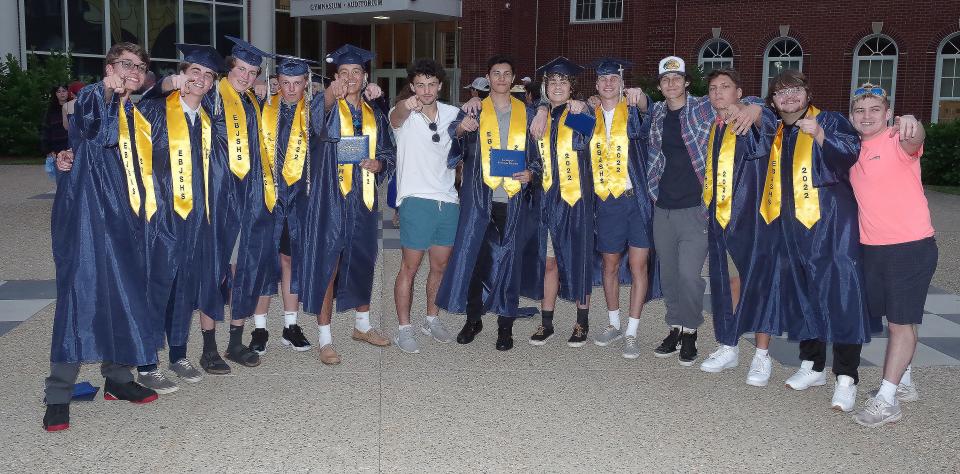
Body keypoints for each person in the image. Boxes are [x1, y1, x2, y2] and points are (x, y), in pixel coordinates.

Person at [43, 42, 160, 432]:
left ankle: (118, 378)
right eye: (126, 64)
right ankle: (59, 393)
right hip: (87, 219)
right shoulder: (97, 97)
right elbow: (91, 126)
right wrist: (106, 89)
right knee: (79, 296)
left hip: (128, 218)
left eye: (140, 67)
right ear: (109, 66)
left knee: (126, 293)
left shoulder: (137, 113)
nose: (133, 71)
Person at [762, 70, 874, 412]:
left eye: (796, 90)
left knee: (841, 295)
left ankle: (846, 376)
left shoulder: (830, 120)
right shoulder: (779, 131)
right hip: (794, 229)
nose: (789, 97)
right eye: (782, 93)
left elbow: (850, 153)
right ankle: (812, 365)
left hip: (833, 225)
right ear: (773, 102)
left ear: (808, 93)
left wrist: (823, 136)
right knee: (803, 292)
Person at [642, 56, 761, 366]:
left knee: (689, 275)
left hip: (695, 207)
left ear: (686, 83)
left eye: (677, 78)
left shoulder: (702, 108)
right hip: (663, 206)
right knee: (668, 276)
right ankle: (675, 327)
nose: (671, 84)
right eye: (665, 80)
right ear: (659, 85)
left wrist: (753, 106)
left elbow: (738, 99)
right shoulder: (655, 114)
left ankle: (691, 330)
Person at [127, 44, 224, 393]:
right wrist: (161, 86)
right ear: (182, 74)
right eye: (193, 72)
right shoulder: (156, 111)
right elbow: (134, 111)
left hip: (196, 217)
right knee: (156, 285)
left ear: (212, 84)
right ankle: (146, 362)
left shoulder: (210, 119)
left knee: (185, 285)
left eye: (207, 75)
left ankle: (179, 354)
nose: (199, 79)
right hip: (160, 216)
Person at [181, 35, 275, 374]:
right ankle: (209, 349)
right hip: (217, 200)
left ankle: (236, 341)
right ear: (229, 69)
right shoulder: (212, 98)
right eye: (242, 70)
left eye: (253, 72)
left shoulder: (253, 101)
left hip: (249, 200)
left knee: (243, 269)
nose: (247, 77)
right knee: (214, 271)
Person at [436, 55, 542, 351]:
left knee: (510, 262)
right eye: (496, 73)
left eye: (507, 74)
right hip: (479, 198)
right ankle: (473, 319)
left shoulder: (529, 113)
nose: (501, 78)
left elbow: (540, 158)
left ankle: (505, 326)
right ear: (488, 76)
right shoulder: (474, 111)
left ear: (513, 78)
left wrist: (531, 174)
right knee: (475, 260)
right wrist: (461, 129)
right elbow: (454, 143)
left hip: (513, 199)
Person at [299, 44, 395, 365]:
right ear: (335, 77)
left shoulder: (374, 115)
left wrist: (379, 165)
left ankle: (362, 326)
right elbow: (313, 124)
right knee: (329, 265)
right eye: (343, 73)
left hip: (363, 202)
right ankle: (325, 339)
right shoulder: (326, 107)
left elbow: (387, 152)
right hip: (330, 200)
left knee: (364, 260)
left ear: (365, 76)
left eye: (356, 72)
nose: (350, 78)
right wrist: (328, 95)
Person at [847, 84, 935, 427]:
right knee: (896, 317)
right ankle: (905, 383)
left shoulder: (898, 140)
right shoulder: (854, 149)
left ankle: (887, 400)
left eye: (874, 109)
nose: (867, 116)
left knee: (900, 323)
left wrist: (914, 122)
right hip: (873, 248)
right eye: (860, 110)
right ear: (852, 116)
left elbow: (915, 138)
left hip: (909, 246)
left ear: (888, 113)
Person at [696, 69, 780, 387]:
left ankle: (761, 355)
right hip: (721, 220)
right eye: (714, 88)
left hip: (753, 220)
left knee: (758, 283)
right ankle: (728, 346)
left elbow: (769, 124)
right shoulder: (716, 127)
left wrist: (757, 108)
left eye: (726, 87)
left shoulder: (747, 120)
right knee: (727, 283)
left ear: (739, 92)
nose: (719, 93)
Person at [247, 53, 324, 355]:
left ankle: (290, 326)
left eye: (297, 83)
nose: (291, 89)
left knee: (291, 260)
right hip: (266, 198)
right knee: (264, 262)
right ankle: (260, 328)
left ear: (307, 83)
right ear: (276, 82)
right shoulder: (262, 109)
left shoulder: (317, 113)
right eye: (285, 83)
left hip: (301, 200)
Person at [388, 58, 461, 353]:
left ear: (440, 86)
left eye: (432, 84)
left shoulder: (452, 113)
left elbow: (468, 130)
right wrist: (407, 105)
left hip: (448, 200)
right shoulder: (404, 112)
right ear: (412, 86)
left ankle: (432, 319)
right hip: (416, 200)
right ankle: (403, 329)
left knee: (440, 266)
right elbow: (395, 117)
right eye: (420, 84)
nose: (426, 90)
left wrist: (471, 112)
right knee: (410, 267)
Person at [586, 58, 657, 358]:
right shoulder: (588, 115)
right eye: (603, 78)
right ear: (596, 85)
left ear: (622, 81)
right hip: (606, 200)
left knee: (638, 265)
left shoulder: (634, 109)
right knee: (610, 265)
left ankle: (632, 331)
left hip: (635, 199)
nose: (608, 83)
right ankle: (614, 323)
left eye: (614, 78)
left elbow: (649, 112)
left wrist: (642, 100)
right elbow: (564, 129)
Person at [525, 57, 596, 348]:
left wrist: (581, 106)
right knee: (549, 263)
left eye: (563, 82)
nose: (557, 86)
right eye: (552, 82)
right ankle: (547, 323)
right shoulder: (535, 115)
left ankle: (582, 321)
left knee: (579, 260)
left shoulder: (579, 113)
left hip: (574, 200)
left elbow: (591, 130)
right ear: (544, 86)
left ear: (572, 87)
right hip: (543, 200)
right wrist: (542, 109)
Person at [42, 85, 71, 179]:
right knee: (61, 178)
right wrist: (48, 150)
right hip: (57, 148)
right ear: (55, 94)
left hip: (72, 147)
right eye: (59, 91)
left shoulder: (74, 107)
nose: (62, 93)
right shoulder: (51, 111)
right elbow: (46, 130)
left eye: (64, 90)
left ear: (68, 92)